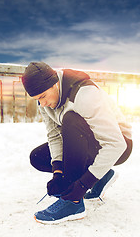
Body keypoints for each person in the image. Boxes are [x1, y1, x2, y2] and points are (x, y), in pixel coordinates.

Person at [22, 62, 132, 224]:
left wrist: (81, 186)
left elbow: (116, 144)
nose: (42, 104)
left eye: (43, 97)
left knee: (71, 120)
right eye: (37, 99)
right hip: (85, 143)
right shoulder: (44, 101)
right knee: (38, 157)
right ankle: (100, 176)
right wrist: (58, 173)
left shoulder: (85, 95)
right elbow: (54, 136)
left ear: (55, 84)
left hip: (118, 144)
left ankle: (73, 203)